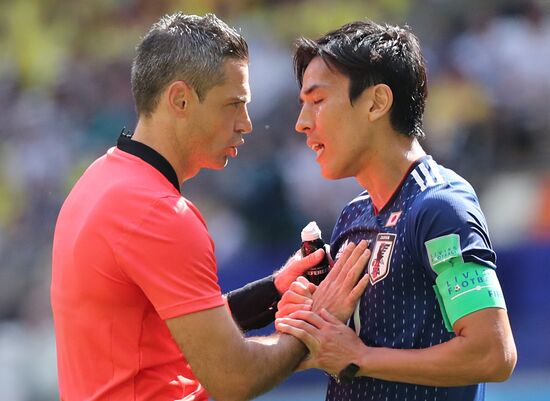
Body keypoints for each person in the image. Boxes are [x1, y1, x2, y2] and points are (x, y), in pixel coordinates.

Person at [50, 13, 371, 401]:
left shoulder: (99, 179)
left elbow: (178, 329)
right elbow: (234, 378)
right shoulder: (159, 213)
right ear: (181, 99)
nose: (247, 123)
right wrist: (319, 320)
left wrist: (273, 289)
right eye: (233, 104)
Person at [275, 20, 517, 401]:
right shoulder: (353, 216)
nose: (302, 123)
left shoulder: (441, 206)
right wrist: (308, 324)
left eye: (317, 101)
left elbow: (493, 352)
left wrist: (361, 358)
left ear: (376, 102)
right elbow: (337, 348)